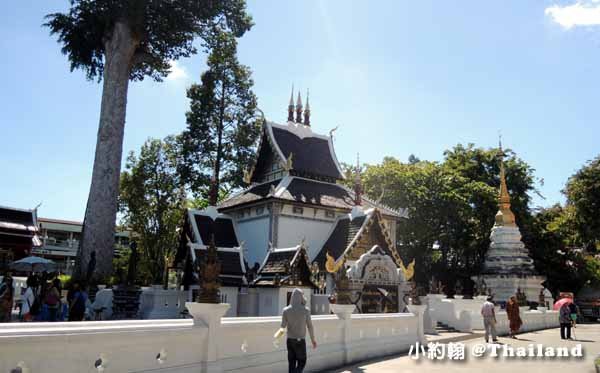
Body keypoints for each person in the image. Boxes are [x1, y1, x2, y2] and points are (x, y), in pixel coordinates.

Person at [281, 288, 317, 373]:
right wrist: (313, 340)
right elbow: (310, 327)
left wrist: (277, 338)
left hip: (289, 341)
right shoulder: (305, 310)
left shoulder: (285, 310)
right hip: (300, 341)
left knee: (291, 363)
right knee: (302, 361)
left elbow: (282, 327)